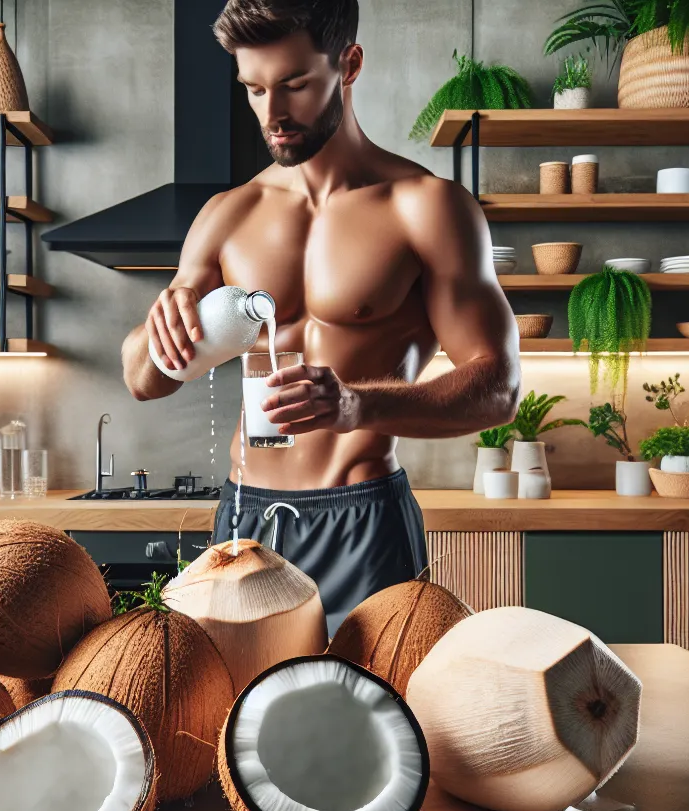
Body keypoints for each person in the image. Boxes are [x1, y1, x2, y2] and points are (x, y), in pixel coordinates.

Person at [121, 0, 518, 633]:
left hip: (362, 518)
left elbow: (498, 389)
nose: (272, 114)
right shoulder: (228, 214)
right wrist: (159, 325)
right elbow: (146, 380)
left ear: (349, 64)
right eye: (253, 89)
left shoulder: (427, 207)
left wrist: (358, 406)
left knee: (373, 713)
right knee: (234, 715)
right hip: (246, 516)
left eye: (295, 85)